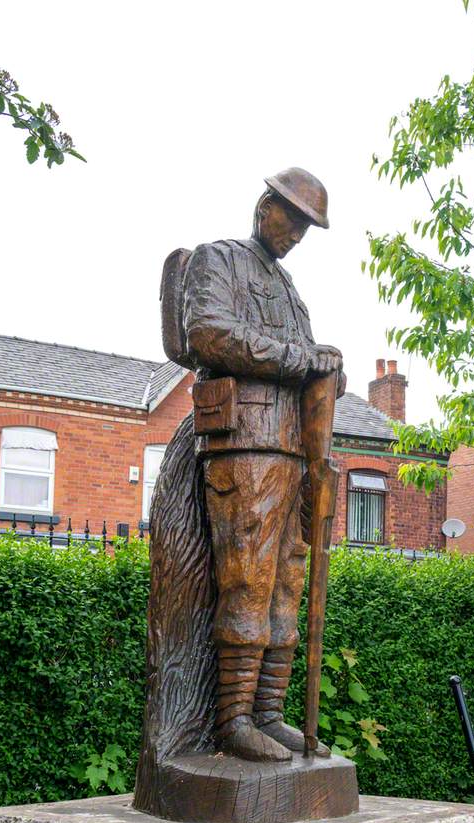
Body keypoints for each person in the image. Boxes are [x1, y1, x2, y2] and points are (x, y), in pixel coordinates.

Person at [182, 168, 344, 763]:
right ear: (264, 206)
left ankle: (270, 714)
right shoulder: (218, 260)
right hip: (245, 442)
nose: (298, 234)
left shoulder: (290, 289)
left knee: (287, 582)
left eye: (307, 227)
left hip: (293, 448)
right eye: (294, 219)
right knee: (247, 578)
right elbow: (209, 334)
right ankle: (233, 721)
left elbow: (307, 366)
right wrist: (302, 359)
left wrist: (328, 372)